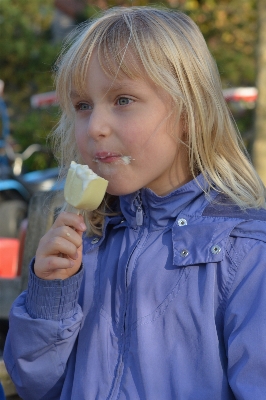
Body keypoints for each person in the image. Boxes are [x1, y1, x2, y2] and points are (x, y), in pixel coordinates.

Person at [3, 6, 266, 400]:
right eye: (82, 106)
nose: (95, 127)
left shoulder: (246, 252)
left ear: (188, 113)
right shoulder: (87, 240)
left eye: (123, 100)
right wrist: (51, 298)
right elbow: (36, 387)